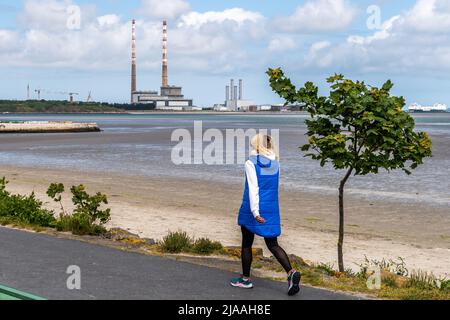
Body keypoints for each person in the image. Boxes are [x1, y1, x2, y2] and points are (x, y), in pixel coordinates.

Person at [230, 134, 301, 296]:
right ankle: (291, 272)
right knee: (272, 243)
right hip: (271, 207)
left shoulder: (251, 163)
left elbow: (254, 188)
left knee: (247, 243)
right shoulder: (275, 164)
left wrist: (255, 212)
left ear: (256, 145)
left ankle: (245, 280)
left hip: (253, 208)